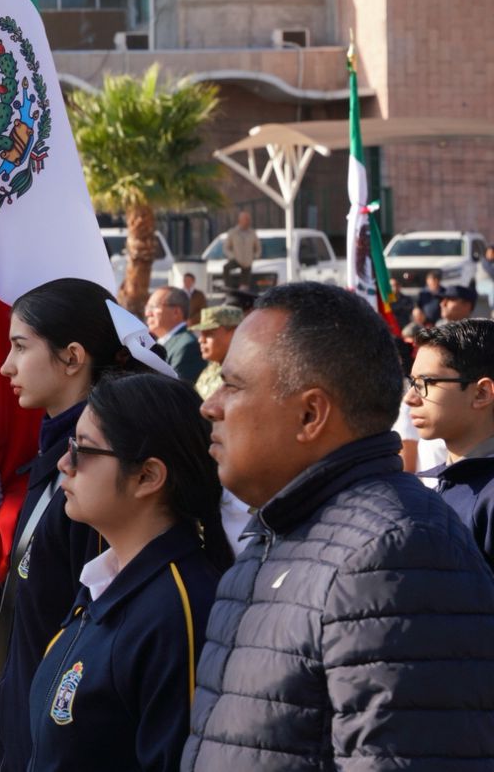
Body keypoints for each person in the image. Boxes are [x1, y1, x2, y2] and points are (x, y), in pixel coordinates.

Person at [184, 283, 494, 769]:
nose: (211, 405)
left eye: (234, 385)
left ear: (310, 413)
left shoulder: (394, 554)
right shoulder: (277, 532)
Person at [0, 278, 168, 772]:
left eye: (20, 347)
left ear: (72, 357)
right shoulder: (55, 454)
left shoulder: (100, 472)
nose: (5, 366)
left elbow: (96, 634)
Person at [25, 373, 231, 771]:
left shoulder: (179, 610)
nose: (64, 464)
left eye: (83, 449)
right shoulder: (102, 585)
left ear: (147, 476)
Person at [405, 319, 494, 567]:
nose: (410, 398)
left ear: (481, 393)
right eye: (412, 383)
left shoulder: (488, 496)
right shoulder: (451, 483)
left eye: (426, 383)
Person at [144, 286, 206, 385]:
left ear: (176, 312)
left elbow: (175, 391)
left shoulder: (187, 346)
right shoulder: (158, 342)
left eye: (153, 307)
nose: (147, 313)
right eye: (147, 307)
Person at [192, 305, 242, 401]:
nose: (201, 340)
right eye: (201, 334)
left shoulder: (245, 374)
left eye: (209, 334)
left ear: (234, 333)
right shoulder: (210, 369)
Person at [219, 212, 259, 291]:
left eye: (248, 219)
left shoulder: (252, 233)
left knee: (245, 286)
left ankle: (243, 292)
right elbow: (226, 247)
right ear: (240, 220)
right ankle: (228, 288)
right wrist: (232, 256)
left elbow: (258, 247)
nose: (247, 221)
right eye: (245, 219)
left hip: (247, 262)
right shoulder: (233, 232)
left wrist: (255, 256)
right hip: (236, 259)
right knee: (226, 268)